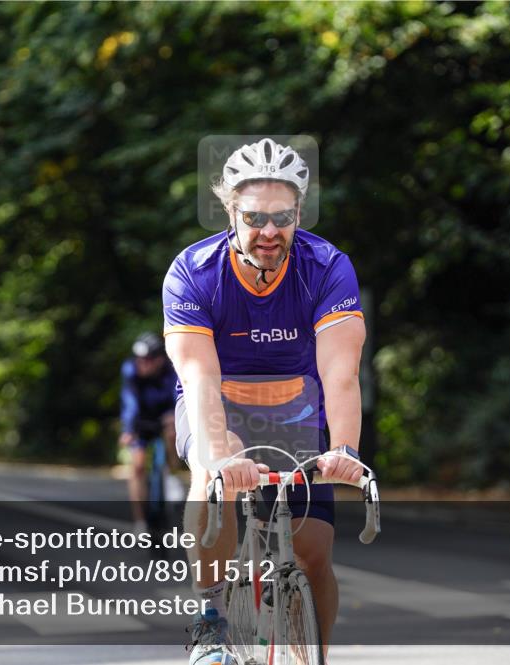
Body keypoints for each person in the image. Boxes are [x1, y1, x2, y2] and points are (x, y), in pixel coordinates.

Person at [163, 138, 366, 664]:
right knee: (213, 472)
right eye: (254, 217)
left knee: (314, 553)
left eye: (283, 216)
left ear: (299, 211)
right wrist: (220, 455)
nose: (270, 231)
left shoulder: (326, 267)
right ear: (230, 210)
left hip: (298, 406)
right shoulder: (193, 272)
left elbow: (340, 373)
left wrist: (343, 450)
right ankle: (210, 620)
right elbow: (199, 376)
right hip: (220, 404)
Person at [119, 332, 180, 533]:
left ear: (160, 359)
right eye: (140, 359)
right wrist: (128, 429)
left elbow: (177, 396)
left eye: (148, 360)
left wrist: (174, 415)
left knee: (172, 431)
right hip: (141, 421)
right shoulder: (130, 370)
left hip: (165, 418)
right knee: (136, 467)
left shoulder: (171, 370)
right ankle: (140, 522)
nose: (143, 364)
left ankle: (171, 476)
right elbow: (130, 402)